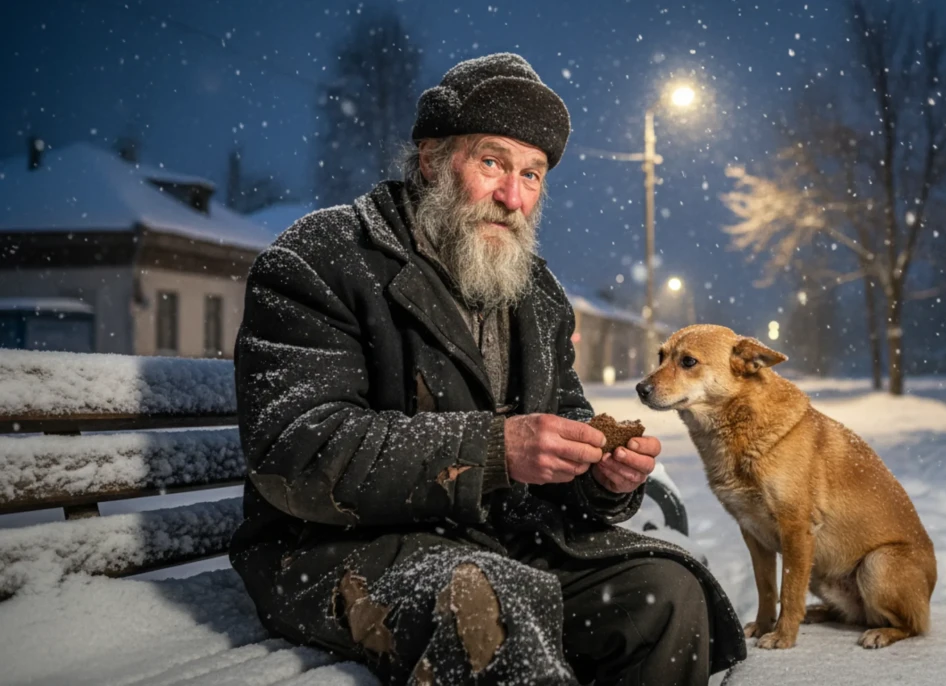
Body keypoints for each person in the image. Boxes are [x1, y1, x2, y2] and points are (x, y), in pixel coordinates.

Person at [230, 53, 745, 685]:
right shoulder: (322, 259)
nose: (512, 198)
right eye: (493, 162)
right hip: (333, 550)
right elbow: (297, 452)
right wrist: (495, 449)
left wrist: (602, 477)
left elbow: (563, 418)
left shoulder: (536, 291)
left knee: (665, 591)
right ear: (431, 159)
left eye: (532, 175)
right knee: (487, 602)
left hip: (488, 539)